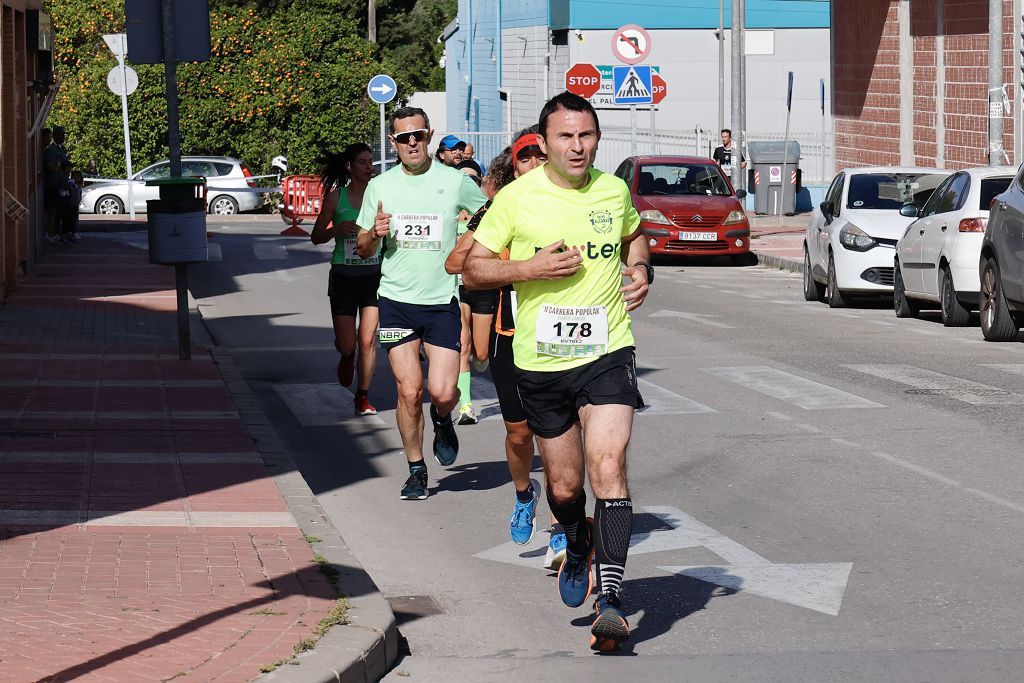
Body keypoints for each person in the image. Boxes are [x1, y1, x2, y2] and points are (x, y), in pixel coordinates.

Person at [463, 92, 651, 651]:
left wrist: (639, 268)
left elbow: (633, 233)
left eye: (586, 135)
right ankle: (574, 533)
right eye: (565, 137)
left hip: (607, 350)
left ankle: (611, 598)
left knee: (608, 465)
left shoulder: (613, 190)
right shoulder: (517, 199)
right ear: (543, 144)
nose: (577, 146)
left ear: (597, 139)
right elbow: (472, 270)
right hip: (541, 363)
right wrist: (530, 267)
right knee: (566, 487)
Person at [446, 128, 567, 568]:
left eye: (540, 155)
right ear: (512, 168)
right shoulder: (500, 207)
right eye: (524, 158)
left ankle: (562, 527)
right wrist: (516, 265)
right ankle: (523, 495)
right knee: (519, 434)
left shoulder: (575, 203)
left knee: (558, 435)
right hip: (511, 336)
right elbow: (456, 262)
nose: (533, 164)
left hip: (561, 338)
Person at [355, 107, 488, 500]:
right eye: (402, 137)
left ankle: (442, 418)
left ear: (429, 136)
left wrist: (468, 237)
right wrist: (374, 235)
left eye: (418, 135)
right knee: (409, 390)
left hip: (441, 301)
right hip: (396, 300)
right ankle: (416, 468)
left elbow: (490, 213)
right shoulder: (381, 187)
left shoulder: (453, 181)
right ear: (392, 143)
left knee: (444, 391)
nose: (411, 142)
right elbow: (363, 248)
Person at [311, 143, 380, 417]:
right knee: (349, 344)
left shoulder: (380, 197)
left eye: (370, 161)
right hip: (343, 276)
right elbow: (316, 237)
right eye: (362, 162)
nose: (368, 166)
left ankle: (362, 396)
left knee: (368, 340)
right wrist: (336, 229)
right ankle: (346, 356)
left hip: (373, 276)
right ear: (350, 167)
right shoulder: (334, 199)